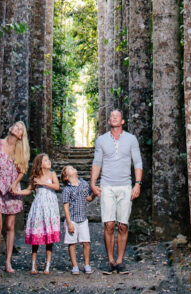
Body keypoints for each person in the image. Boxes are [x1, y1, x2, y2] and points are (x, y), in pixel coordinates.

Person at [90, 109, 143, 274]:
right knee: (109, 224)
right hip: (107, 185)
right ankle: (110, 260)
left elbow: (138, 162)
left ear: (122, 121)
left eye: (117, 116)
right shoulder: (102, 140)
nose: (113, 118)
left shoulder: (131, 139)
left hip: (125, 186)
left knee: (122, 226)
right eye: (111, 116)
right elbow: (97, 162)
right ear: (109, 121)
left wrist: (138, 184)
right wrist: (93, 182)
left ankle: (120, 260)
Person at [0, 121, 29, 273]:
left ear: (21, 135)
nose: (17, 129)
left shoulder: (20, 150)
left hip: (12, 191)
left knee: (10, 227)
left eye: (21, 129)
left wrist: (15, 183)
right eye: (16, 126)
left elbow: (22, 170)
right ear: (11, 129)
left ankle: (8, 262)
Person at [16, 153, 61, 274]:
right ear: (40, 164)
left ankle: (47, 264)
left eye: (48, 159)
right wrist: (17, 192)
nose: (48, 161)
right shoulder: (35, 177)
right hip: (39, 207)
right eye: (45, 160)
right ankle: (33, 263)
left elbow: (57, 186)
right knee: (37, 234)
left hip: (50, 208)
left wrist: (44, 183)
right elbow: (28, 190)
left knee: (49, 236)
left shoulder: (52, 174)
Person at [61, 164, 95, 274]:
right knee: (72, 243)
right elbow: (66, 207)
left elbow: (88, 198)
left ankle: (87, 264)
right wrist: (69, 223)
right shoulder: (67, 189)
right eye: (69, 168)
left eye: (72, 167)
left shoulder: (84, 184)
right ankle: (75, 265)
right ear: (66, 177)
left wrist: (95, 193)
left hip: (83, 219)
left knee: (86, 242)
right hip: (72, 220)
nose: (72, 168)